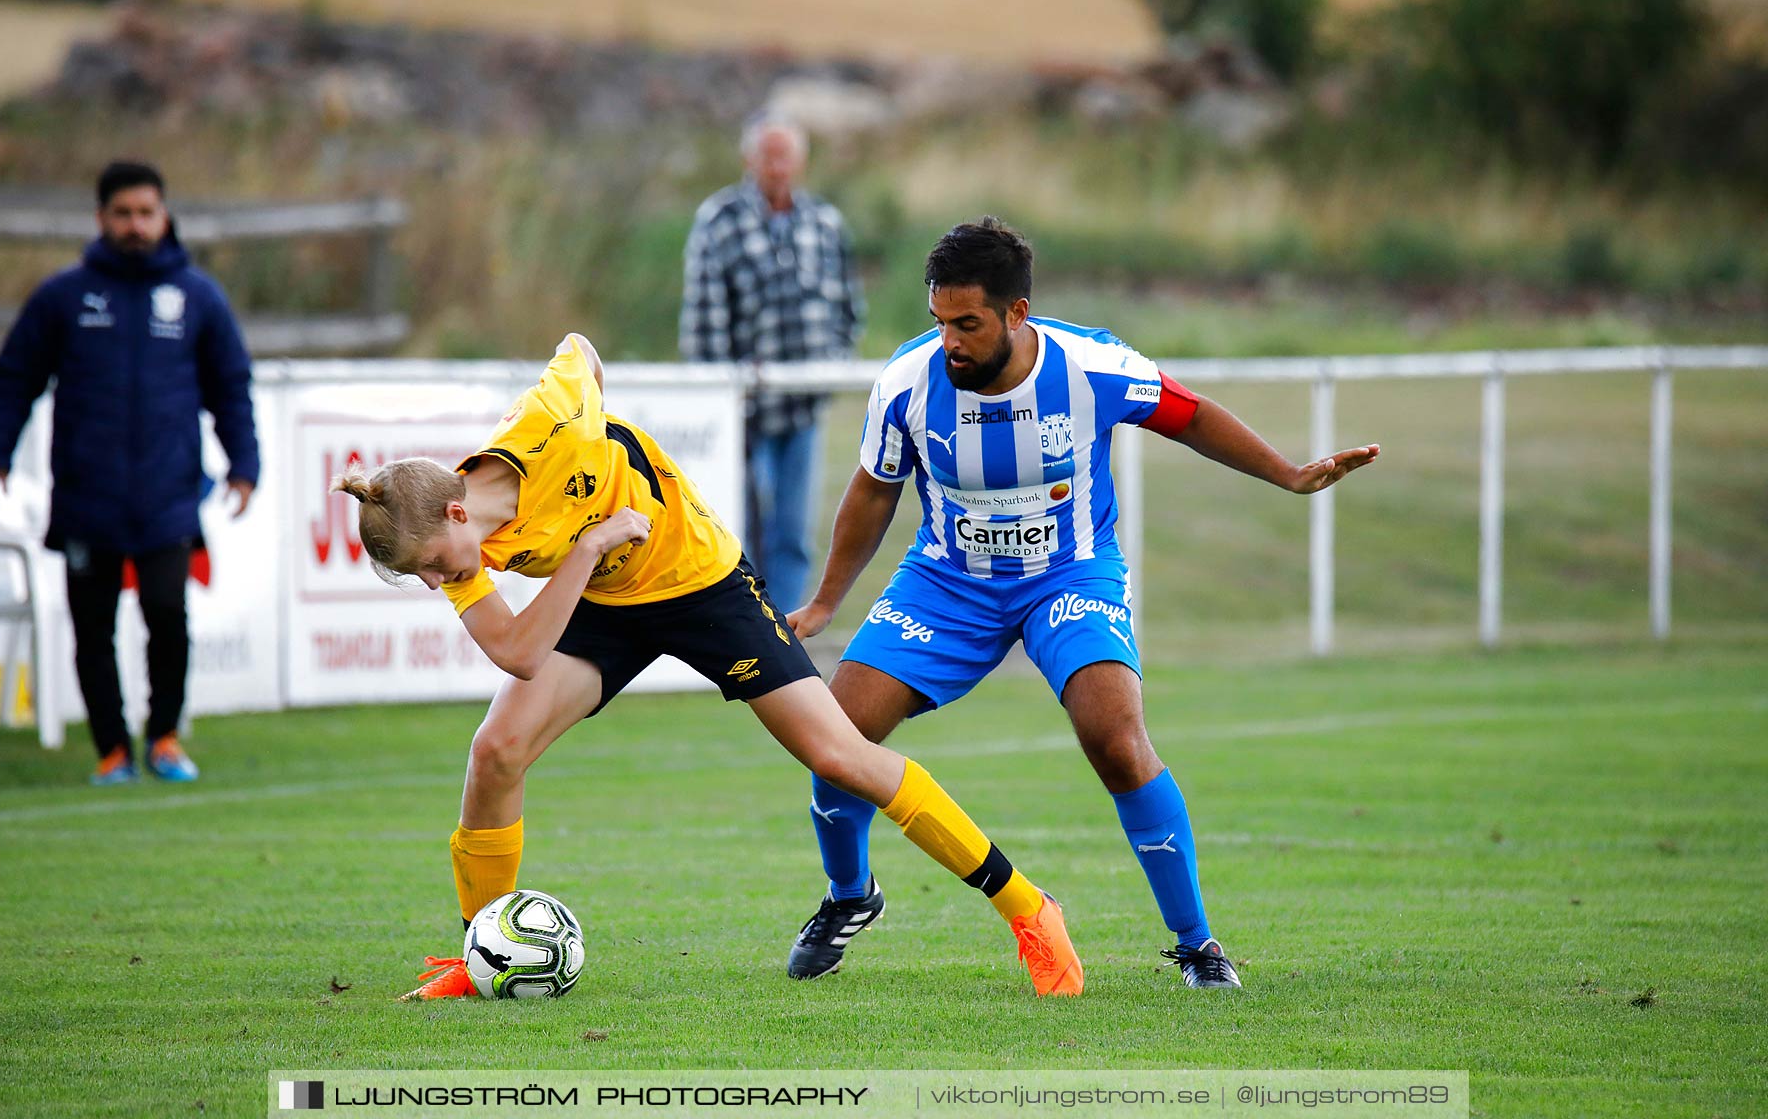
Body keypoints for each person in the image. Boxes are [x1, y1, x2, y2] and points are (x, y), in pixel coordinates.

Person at [333, 331, 1084, 999]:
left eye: (432, 566)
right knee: (496, 751)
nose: (440, 582)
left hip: (703, 582)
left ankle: (1027, 907)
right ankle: (481, 951)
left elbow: (580, 349)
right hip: (602, 595)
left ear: (457, 513)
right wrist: (594, 544)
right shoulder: (459, 554)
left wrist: (606, 451)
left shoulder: (547, 428)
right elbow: (519, 653)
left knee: (841, 756)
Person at [785, 218, 1380, 989]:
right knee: (836, 735)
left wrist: (1290, 475)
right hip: (948, 582)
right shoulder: (907, 381)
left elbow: (1192, 416)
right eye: (940, 323)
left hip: (1070, 574)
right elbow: (874, 488)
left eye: (968, 324)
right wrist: (828, 601)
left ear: (1017, 313)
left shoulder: (1093, 366)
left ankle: (1198, 945)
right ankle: (848, 897)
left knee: (1115, 736)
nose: (951, 343)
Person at [0, 161, 259, 786]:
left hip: (167, 494)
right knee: (92, 629)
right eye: (123, 214)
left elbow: (231, 387)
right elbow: (16, 379)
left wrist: (244, 464)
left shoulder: (196, 298)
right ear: (101, 218)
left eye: (146, 213)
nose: (136, 225)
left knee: (167, 615)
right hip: (87, 496)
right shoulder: (64, 297)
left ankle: (163, 738)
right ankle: (111, 750)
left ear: (165, 216)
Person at [679, 114, 864, 613]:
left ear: (801, 162)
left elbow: (847, 305)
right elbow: (703, 319)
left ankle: (784, 635)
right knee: (739, 529)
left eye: (786, 156)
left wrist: (833, 364)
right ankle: (741, 626)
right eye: (769, 156)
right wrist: (718, 391)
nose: (778, 167)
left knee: (795, 532)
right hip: (746, 412)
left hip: (803, 408)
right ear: (750, 160)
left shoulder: (823, 222)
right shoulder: (719, 221)